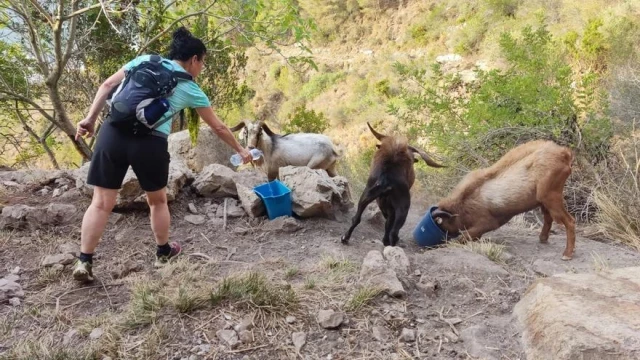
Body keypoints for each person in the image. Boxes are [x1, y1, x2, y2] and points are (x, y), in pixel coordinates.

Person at [72, 26, 252, 282]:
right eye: (202, 63)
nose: (201, 69)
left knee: (101, 202)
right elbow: (219, 127)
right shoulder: (190, 88)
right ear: (194, 60)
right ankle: (163, 252)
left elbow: (107, 84)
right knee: (157, 201)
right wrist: (241, 150)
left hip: (112, 133)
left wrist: (90, 119)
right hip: (149, 143)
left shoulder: (145, 60)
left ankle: (84, 262)